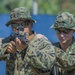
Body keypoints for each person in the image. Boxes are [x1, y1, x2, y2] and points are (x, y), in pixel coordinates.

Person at [0, 7, 57, 75]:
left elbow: (47, 66)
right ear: (12, 27)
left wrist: (27, 49)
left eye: (24, 24)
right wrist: (6, 49)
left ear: (31, 24)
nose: (20, 28)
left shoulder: (42, 43)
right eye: (16, 25)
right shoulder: (9, 41)